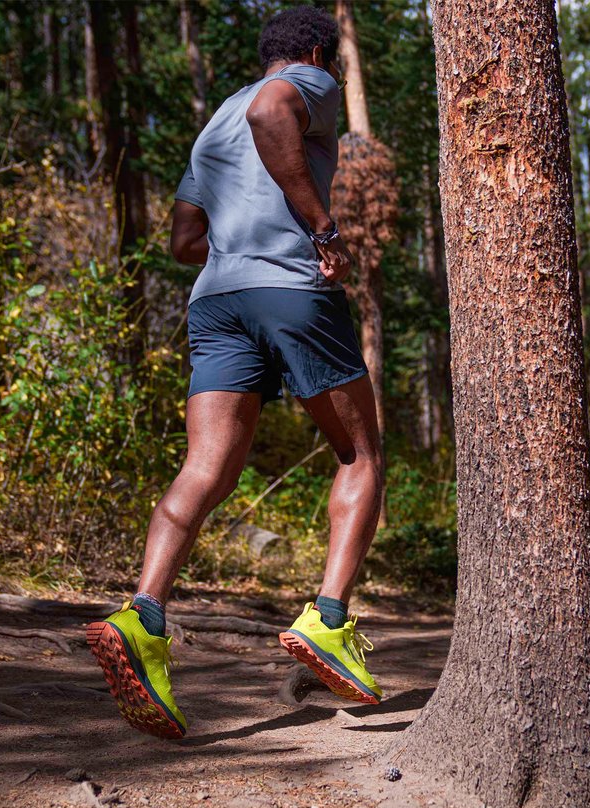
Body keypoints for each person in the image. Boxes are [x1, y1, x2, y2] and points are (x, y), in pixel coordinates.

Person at [86, 7, 384, 740]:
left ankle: (145, 616)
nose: (335, 79)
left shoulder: (213, 122)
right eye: (333, 65)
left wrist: (241, 244)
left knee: (207, 466)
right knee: (360, 454)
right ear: (316, 51)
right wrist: (319, 226)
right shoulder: (296, 84)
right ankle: (330, 620)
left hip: (217, 299)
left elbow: (186, 237)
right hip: (291, 290)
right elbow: (271, 107)